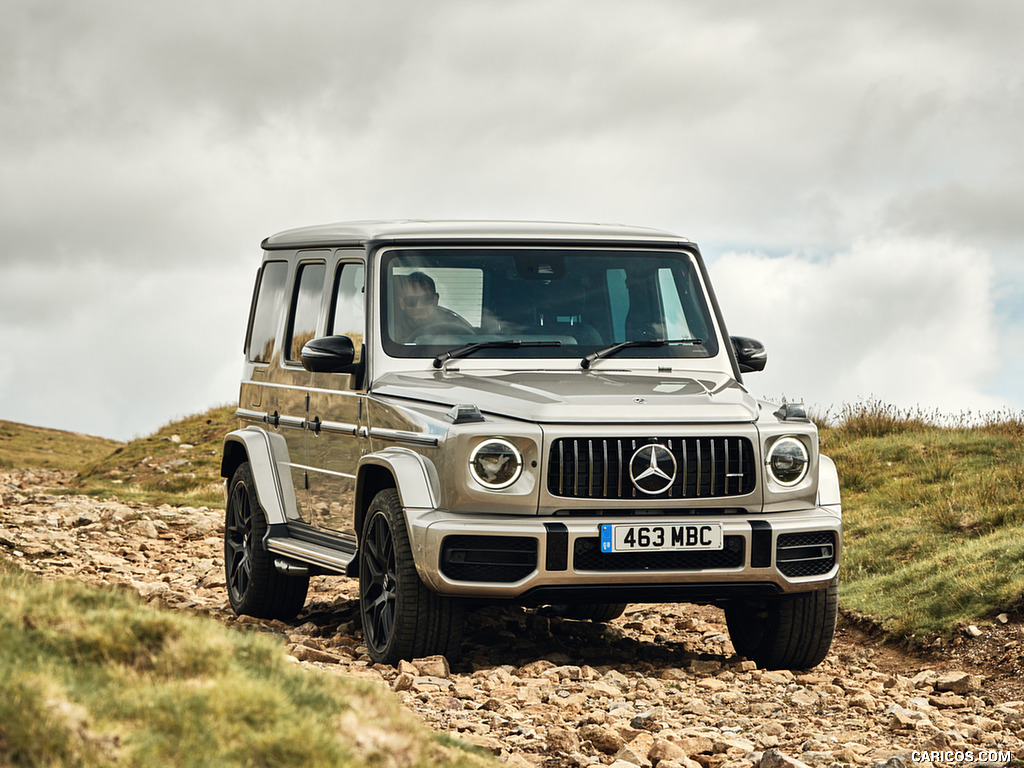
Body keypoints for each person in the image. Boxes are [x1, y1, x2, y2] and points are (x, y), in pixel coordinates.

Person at [392, 271, 474, 342]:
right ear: (402, 303)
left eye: (426, 299)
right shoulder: (390, 332)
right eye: (411, 301)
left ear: (435, 300)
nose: (419, 306)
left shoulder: (455, 325)